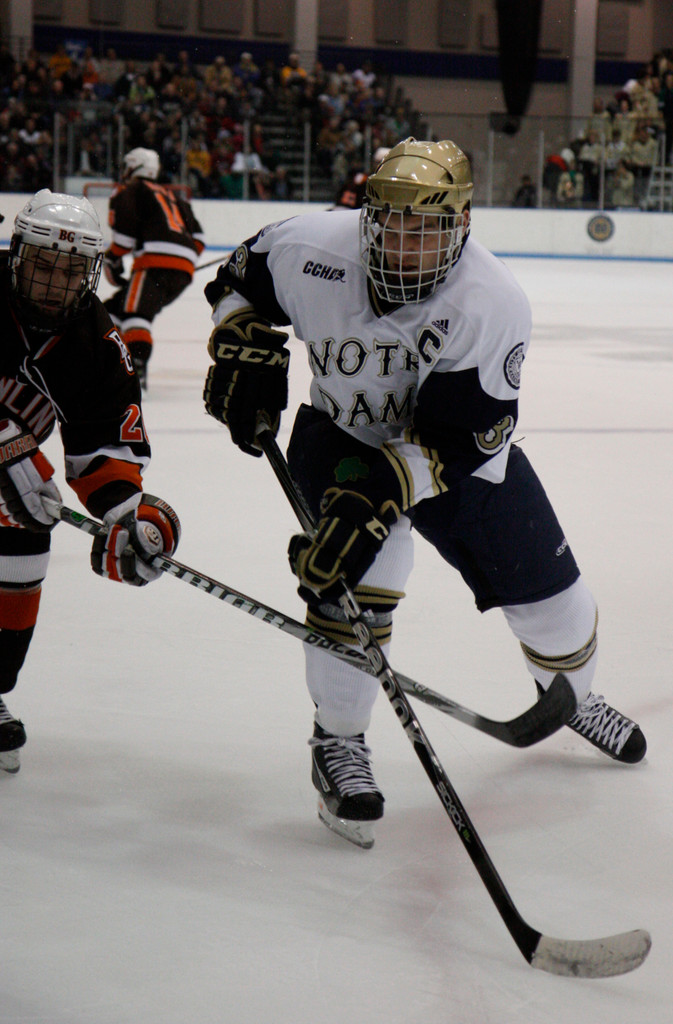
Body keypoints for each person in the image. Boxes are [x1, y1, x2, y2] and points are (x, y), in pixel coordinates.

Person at [202, 138, 646, 849]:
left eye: (427, 228)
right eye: (392, 223)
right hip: (342, 436)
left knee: (557, 608)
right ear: (366, 215)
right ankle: (337, 742)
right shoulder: (309, 245)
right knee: (352, 585)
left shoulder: (490, 301)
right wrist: (239, 336)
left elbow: (467, 437)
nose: (405, 243)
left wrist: (387, 488)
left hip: (455, 459)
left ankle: (573, 697)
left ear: (462, 224)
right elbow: (239, 275)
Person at [0, 189, 181, 774]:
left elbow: (104, 448)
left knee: (22, 550)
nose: (54, 284)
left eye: (70, 272)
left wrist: (128, 513)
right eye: (43, 267)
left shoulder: (99, 346)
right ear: (17, 256)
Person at [102, 147, 206, 389]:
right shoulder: (173, 195)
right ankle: (111, 360)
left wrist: (111, 258)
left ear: (133, 166)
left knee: (136, 314)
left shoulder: (131, 191)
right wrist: (181, 262)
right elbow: (198, 239)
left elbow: (124, 239)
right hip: (183, 269)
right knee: (116, 309)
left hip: (153, 263)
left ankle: (135, 375)